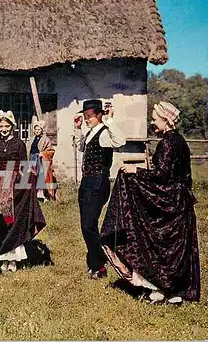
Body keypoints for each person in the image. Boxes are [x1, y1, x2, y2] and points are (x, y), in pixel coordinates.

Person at [100, 101, 200, 304]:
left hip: (170, 201)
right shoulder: (180, 141)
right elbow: (180, 177)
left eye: (155, 119)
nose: (153, 123)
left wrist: (135, 171)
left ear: (166, 120)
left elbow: (161, 175)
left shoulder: (168, 142)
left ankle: (160, 289)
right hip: (180, 201)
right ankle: (175, 292)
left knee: (159, 245)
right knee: (175, 249)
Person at [0, 110, 46, 273]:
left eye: (7, 126)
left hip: (14, 183)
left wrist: (25, 182)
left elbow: (23, 165)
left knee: (12, 221)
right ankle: (2, 257)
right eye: (1, 126)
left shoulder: (19, 144)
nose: (4, 129)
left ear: (13, 127)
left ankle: (13, 259)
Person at [73, 99, 125, 279]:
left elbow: (120, 141)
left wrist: (110, 121)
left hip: (98, 181)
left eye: (90, 116)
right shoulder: (90, 133)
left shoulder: (104, 133)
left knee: (89, 225)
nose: (87, 119)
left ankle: (99, 264)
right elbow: (81, 147)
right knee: (86, 226)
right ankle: (96, 261)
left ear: (99, 115)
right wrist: (78, 129)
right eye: (85, 116)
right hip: (87, 181)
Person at [27, 120, 58, 202]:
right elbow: (27, 149)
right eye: (36, 129)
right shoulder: (31, 139)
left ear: (42, 130)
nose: (37, 131)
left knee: (41, 177)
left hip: (40, 159)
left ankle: (41, 194)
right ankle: (32, 194)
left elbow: (51, 150)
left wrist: (43, 154)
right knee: (31, 177)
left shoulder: (45, 139)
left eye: (39, 129)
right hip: (31, 159)